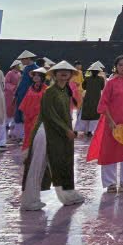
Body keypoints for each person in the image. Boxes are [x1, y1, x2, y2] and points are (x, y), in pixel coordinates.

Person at [22, 61, 86, 211]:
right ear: (54, 74)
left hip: (59, 131)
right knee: (38, 164)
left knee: (62, 162)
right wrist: (66, 130)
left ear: (71, 75)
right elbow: (49, 115)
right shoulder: (50, 91)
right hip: (46, 131)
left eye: (67, 71)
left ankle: (68, 195)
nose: (63, 73)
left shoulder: (65, 91)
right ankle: (30, 200)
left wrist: (66, 130)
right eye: (60, 71)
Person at [88, 55, 123, 193]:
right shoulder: (111, 83)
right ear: (116, 68)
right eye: (120, 65)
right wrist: (110, 121)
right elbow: (103, 104)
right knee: (109, 152)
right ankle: (110, 183)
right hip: (112, 123)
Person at [20, 68, 48, 150]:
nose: (35, 77)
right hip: (28, 116)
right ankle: (28, 152)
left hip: (39, 116)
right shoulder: (31, 88)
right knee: (28, 133)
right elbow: (26, 101)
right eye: (34, 75)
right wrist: (23, 113)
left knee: (35, 133)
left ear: (42, 77)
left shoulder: (46, 89)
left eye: (38, 75)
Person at [76, 61, 105, 136]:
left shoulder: (87, 78)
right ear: (98, 72)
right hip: (96, 98)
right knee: (95, 115)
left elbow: (83, 87)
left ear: (91, 72)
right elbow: (102, 87)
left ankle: (84, 130)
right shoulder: (101, 79)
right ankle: (90, 131)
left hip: (88, 98)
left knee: (85, 114)